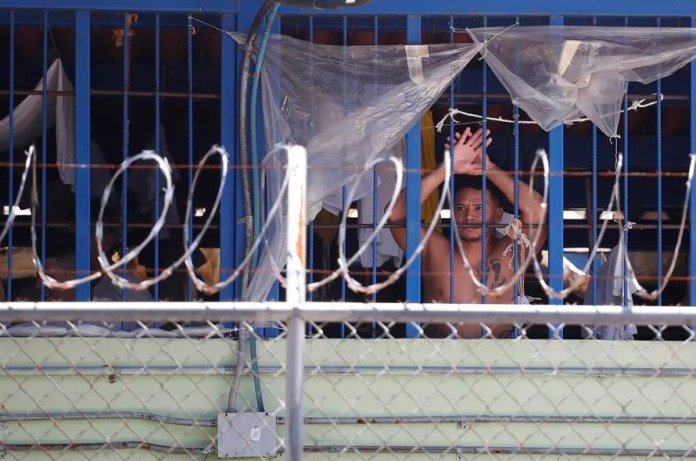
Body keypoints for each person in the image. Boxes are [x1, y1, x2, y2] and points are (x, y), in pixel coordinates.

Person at [388, 127, 547, 338]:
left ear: (498, 214)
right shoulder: (435, 250)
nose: (469, 216)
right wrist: (446, 169)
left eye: (479, 208)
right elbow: (394, 215)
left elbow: (538, 213)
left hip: (498, 364)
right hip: (441, 362)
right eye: (461, 208)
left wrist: (489, 168)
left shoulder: (511, 251)